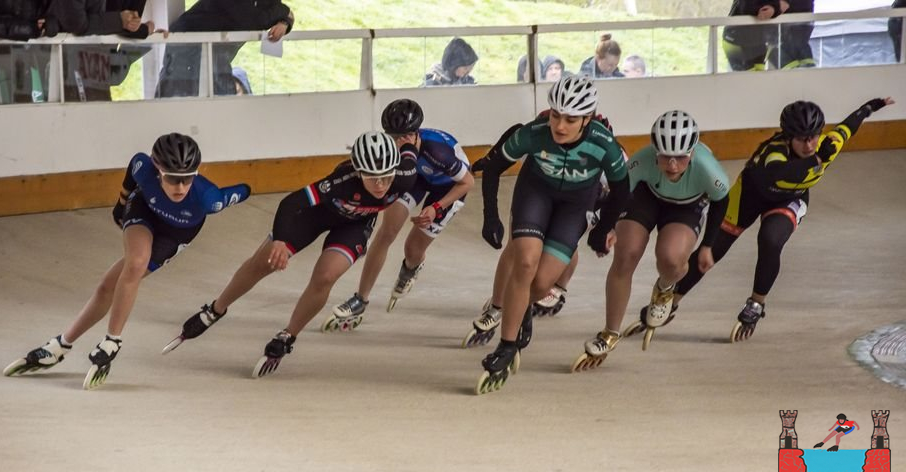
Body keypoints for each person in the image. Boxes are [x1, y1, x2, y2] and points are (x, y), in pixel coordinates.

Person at [3, 133, 252, 389]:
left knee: (109, 286)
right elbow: (135, 164)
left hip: (175, 234)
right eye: (171, 178)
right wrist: (122, 201)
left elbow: (244, 190)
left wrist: (246, 190)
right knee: (136, 263)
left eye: (187, 178)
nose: (179, 187)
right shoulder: (145, 169)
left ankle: (60, 346)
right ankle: (112, 341)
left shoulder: (209, 198)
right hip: (144, 210)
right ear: (157, 169)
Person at [165, 132, 419, 377]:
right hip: (317, 215)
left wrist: (409, 145)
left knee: (326, 276)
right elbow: (290, 203)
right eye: (372, 177)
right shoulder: (343, 180)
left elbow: (411, 151)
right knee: (264, 262)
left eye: (386, 177)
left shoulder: (405, 176)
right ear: (358, 171)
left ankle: (287, 336)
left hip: (354, 226)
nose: (380, 185)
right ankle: (216, 309)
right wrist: (280, 241)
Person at [669, 97, 894, 342]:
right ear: (788, 137)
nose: (809, 145)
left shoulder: (827, 144)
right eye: (801, 139)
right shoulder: (775, 151)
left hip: (790, 199)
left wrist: (870, 108)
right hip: (750, 195)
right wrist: (816, 160)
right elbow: (778, 173)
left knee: (771, 239)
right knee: (714, 250)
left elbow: (847, 127)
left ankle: (756, 304)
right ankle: (670, 301)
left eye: (813, 137)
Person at [469, 75, 630, 394]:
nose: (559, 125)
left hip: (575, 204)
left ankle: (521, 311)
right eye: (556, 115)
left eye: (570, 119)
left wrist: (605, 228)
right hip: (536, 193)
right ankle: (507, 345)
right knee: (525, 263)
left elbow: (623, 191)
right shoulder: (535, 132)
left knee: (542, 284)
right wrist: (490, 216)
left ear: (587, 119)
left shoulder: (604, 144)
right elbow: (494, 166)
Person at [573, 111, 730, 372]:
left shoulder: (708, 168)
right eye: (665, 157)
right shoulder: (642, 160)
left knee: (671, 259)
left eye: (681, 158)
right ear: (655, 151)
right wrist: (607, 226)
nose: (672, 166)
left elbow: (720, 202)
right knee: (626, 254)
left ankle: (665, 288)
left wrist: (707, 245)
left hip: (686, 206)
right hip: (647, 196)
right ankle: (610, 333)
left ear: (692, 152)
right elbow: (620, 192)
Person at [326, 99, 473, 329]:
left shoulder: (437, 151)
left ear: (416, 133)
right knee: (386, 233)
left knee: (412, 249)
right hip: (417, 178)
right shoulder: (393, 148)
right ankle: (360, 299)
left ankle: (412, 267)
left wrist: (437, 207)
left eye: (404, 136)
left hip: (449, 186)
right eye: (393, 137)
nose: (398, 143)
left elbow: (467, 182)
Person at [155, 0, 294, 97]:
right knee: (176, 93)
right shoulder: (256, 11)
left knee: (222, 96)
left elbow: (288, 14)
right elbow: (249, 19)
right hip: (187, 43)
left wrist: (284, 23)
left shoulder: (267, 6)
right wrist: (280, 16)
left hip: (217, 52)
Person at [722, 0, 790, 72]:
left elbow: (785, 6)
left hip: (759, 42)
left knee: (758, 76)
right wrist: (776, 6)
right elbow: (748, 7)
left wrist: (775, 7)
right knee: (746, 77)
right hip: (737, 40)